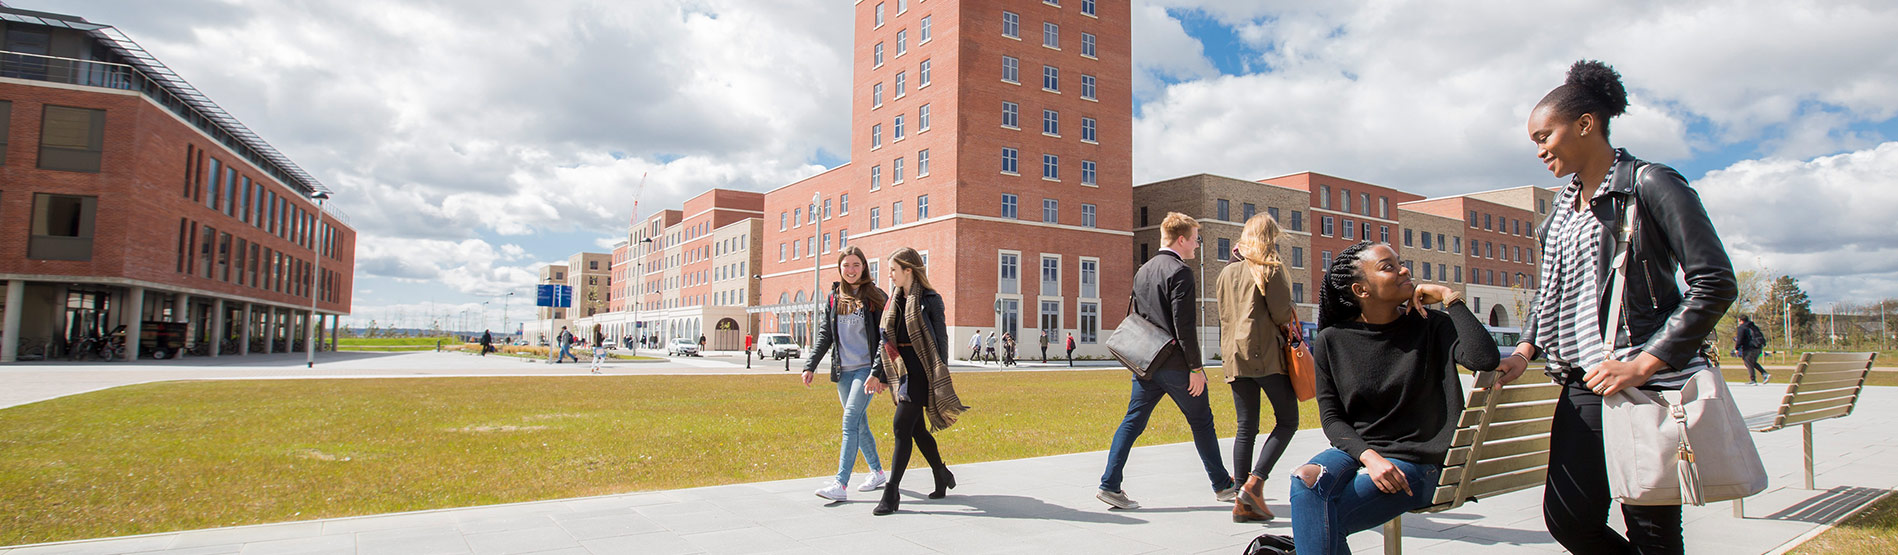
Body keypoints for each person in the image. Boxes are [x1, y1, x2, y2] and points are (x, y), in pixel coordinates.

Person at [1497, 60, 1737, 554]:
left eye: (1545, 136)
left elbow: (1714, 281)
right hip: (1583, 380)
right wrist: (1524, 349)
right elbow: (1553, 292)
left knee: (1650, 525)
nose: (1540, 151)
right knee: (1568, 518)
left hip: (1642, 379)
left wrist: (1644, 362)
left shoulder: (1651, 184)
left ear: (1586, 124)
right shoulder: (1562, 209)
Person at [1288, 241, 1502, 554]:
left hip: (1419, 461)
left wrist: (1449, 297)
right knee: (1306, 480)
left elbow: (1485, 359)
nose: (1404, 270)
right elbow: (1332, 418)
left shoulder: (1431, 325)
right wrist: (1370, 457)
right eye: (1389, 267)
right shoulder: (1331, 340)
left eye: (1400, 263)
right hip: (1360, 451)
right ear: (1362, 289)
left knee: (1324, 517)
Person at [1096, 212, 1236, 510]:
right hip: (1174, 364)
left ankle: (1110, 484)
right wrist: (1196, 369)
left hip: (1145, 362)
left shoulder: (1143, 270)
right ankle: (1223, 486)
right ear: (1181, 239)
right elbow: (1183, 325)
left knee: (1132, 421)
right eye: (1196, 239)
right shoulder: (1180, 272)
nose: (1197, 245)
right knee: (1202, 421)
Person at [866, 247, 969, 515]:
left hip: (922, 368)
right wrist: (876, 373)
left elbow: (941, 338)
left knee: (900, 426)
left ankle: (891, 493)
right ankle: (941, 473)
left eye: (893, 270)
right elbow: (884, 342)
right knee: (916, 430)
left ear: (908, 270)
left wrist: (940, 372)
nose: (889, 275)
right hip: (901, 370)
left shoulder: (931, 300)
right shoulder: (893, 301)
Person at [1215, 213, 1299, 523]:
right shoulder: (1269, 268)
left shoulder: (1227, 273)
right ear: (1269, 238)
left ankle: (1241, 496)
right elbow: (1280, 314)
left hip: (1235, 355)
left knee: (1246, 426)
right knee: (1288, 420)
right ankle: (1255, 483)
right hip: (1264, 354)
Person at [803, 246, 892, 502]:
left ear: (863, 266)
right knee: (859, 424)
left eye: (855, 265)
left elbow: (884, 338)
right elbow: (825, 335)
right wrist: (811, 365)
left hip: (865, 371)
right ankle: (876, 472)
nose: (851, 270)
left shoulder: (875, 296)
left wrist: (877, 373)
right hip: (843, 371)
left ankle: (840, 484)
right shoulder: (834, 297)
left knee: (849, 421)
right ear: (840, 269)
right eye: (846, 266)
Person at [1735, 315, 1769, 384]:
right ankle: (1764, 374)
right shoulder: (1753, 326)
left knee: (1747, 362)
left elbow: (1740, 339)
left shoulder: (1742, 327)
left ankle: (1753, 380)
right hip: (1758, 346)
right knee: (1752, 362)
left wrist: (1737, 348)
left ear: (1740, 320)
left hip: (1749, 347)